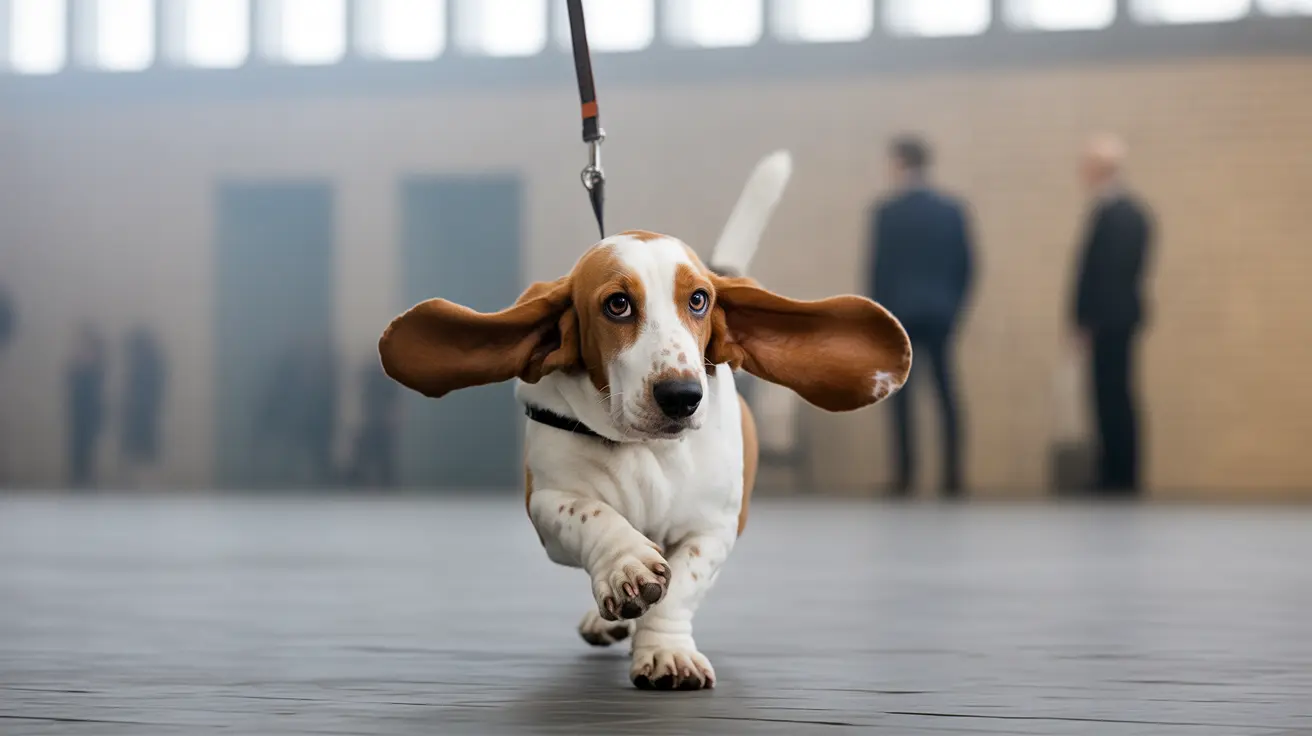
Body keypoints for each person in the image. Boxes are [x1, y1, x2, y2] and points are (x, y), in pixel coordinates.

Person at [868, 135, 974, 497]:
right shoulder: (951, 210)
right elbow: (967, 265)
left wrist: (877, 320)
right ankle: (953, 476)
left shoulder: (887, 213)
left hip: (900, 315)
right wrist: (955, 308)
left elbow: (878, 271)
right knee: (946, 393)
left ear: (900, 162)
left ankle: (905, 476)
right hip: (941, 314)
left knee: (901, 397)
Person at [1070, 134, 1154, 496]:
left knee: (1114, 395)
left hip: (1112, 321)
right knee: (1107, 395)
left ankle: (1120, 475)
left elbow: (1109, 273)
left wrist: (1090, 320)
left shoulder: (1122, 214)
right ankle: (1112, 470)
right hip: (1111, 319)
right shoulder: (1115, 211)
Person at [119, 326, 167, 487]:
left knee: (143, 450)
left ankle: (144, 482)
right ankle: (139, 482)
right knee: (139, 450)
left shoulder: (149, 363)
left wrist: (134, 405)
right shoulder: (146, 362)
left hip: (143, 414)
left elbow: (147, 390)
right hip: (140, 413)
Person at [66, 323, 108, 489]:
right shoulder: (77, 368)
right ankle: (78, 479)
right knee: (77, 446)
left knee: (87, 447)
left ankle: (85, 479)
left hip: (91, 413)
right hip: (78, 414)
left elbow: (96, 392)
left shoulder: (97, 369)